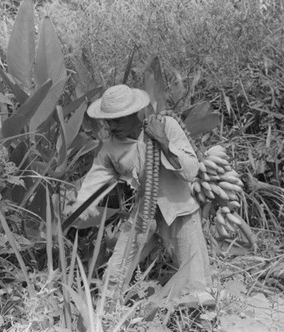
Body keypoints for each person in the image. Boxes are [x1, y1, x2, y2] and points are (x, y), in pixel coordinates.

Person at [73, 84, 211, 304]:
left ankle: (200, 320)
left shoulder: (166, 125)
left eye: (117, 120)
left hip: (179, 212)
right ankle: (108, 315)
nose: (111, 126)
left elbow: (191, 170)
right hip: (144, 215)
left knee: (196, 280)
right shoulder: (111, 148)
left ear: (133, 114)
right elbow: (95, 179)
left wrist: (163, 142)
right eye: (108, 120)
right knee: (115, 272)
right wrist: (82, 206)